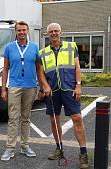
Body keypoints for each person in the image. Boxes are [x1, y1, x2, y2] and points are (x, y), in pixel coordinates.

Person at [38, 23, 88, 169]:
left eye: (56, 31)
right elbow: (40, 72)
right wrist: (44, 85)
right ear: (47, 34)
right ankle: (59, 148)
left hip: (69, 89)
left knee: (77, 118)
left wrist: (78, 85)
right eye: (51, 31)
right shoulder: (43, 53)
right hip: (52, 91)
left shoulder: (71, 46)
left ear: (60, 32)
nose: (53, 33)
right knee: (54, 120)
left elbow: (77, 67)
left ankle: (83, 154)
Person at [0, 21, 40, 161]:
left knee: (26, 118)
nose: (22, 32)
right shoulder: (9, 48)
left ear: (27, 31)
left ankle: (25, 145)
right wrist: (4, 88)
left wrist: (40, 86)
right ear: (15, 32)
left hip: (30, 86)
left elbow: (39, 69)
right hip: (15, 86)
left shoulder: (35, 47)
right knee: (13, 118)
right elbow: (5, 69)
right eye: (19, 30)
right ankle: (10, 148)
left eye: (24, 30)